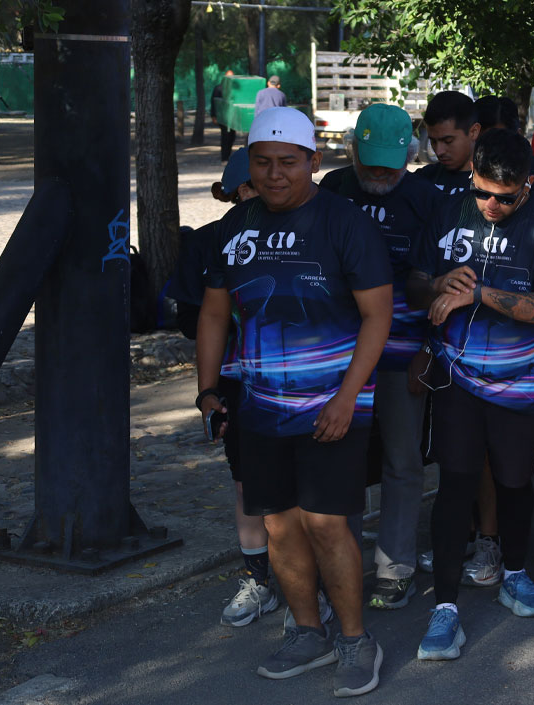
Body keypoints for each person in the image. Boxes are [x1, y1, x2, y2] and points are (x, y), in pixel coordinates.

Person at [195, 107, 392, 697]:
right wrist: (208, 390)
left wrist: (347, 397)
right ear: (248, 164)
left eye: (288, 162)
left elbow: (377, 316)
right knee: (279, 525)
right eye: (262, 163)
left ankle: (356, 640)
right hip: (260, 406)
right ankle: (309, 632)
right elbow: (213, 314)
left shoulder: (345, 223)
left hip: (333, 404)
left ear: (313, 160)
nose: (275, 174)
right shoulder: (234, 227)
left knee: (327, 524)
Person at [406, 129, 534, 659]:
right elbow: (412, 282)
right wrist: (437, 285)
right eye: (482, 192)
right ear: (472, 176)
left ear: (528, 184)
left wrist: (477, 293)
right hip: (457, 374)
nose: (491, 206)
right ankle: (445, 609)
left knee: (514, 480)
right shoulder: (448, 211)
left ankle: (515, 574)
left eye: (506, 197)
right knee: (455, 482)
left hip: (522, 378)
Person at [318, 104, 443, 610]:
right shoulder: (333, 188)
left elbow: (442, 281)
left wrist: (429, 350)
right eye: (369, 163)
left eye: (389, 166)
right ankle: (339, 564)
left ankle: (395, 567)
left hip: (402, 350)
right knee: (339, 460)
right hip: (338, 351)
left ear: (410, 156)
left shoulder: (426, 200)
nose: (378, 174)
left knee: (402, 459)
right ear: (352, 150)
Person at [178, 153, 273, 628]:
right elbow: (194, 320)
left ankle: (309, 580)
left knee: (299, 487)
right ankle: (258, 578)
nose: (255, 197)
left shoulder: (307, 232)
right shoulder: (214, 241)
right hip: (238, 382)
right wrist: (208, 391)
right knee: (245, 483)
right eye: (246, 191)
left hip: (302, 383)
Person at [418, 91, 481, 195]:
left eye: (448, 141)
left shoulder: (494, 185)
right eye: (433, 141)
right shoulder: (422, 179)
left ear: (473, 132)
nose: (439, 151)